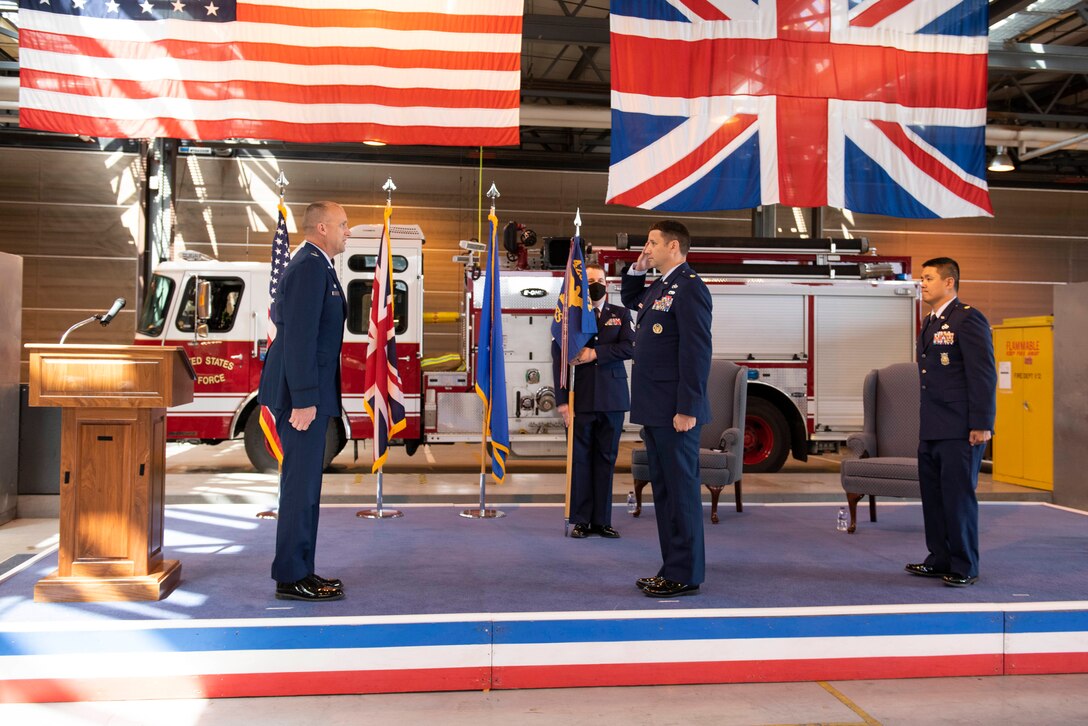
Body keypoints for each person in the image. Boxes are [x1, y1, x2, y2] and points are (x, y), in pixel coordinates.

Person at [259, 201, 350, 602]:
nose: (348, 231)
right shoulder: (309, 267)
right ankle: (291, 575)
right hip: (301, 397)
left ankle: (302, 569)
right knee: (299, 487)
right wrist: (305, 400)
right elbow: (298, 337)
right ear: (322, 227)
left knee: (307, 485)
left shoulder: (320, 265)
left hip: (310, 392)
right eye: (343, 225)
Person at [621, 220, 713, 598]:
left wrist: (688, 406)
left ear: (673, 246)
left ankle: (685, 573)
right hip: (655, 408)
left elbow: (696, 351)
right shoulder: (661, 285)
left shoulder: (690, 288)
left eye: (653, 242)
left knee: (680, 492)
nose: (647, 247)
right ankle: (671, 567)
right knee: (665, 491)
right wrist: (635, 271)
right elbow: (631, 302)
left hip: (676, 411)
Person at [906, 257, 997, 587]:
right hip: (932, 426)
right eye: (922, 277)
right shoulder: (929, 322)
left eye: (929, 277)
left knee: (958, 498)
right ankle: (939, 557)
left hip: (960, 428)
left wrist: (982, 423)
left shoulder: (968, 319)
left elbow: (983, 374)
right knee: (934, 497)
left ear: (949, 282)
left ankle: (964, 565)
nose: (923, 282)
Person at [552, 262, 635, 539]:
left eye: (600, 279)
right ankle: (581, 520)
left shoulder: (620, 314)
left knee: (605, 460)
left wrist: (595, 353)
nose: (596, 284)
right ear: (581, 286)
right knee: (580, 461)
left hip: (612, 400)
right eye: (590, 280)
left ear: (607, 283)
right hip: (580, 399)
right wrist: (562, 401)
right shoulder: (570, 317)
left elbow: (630, 347)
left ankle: (602, 520)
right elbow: (558, 359)